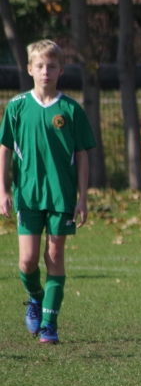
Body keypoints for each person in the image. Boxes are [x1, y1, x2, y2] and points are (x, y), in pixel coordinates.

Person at [0, 39, 96, 344]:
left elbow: (82, 154)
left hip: (61, 196)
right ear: (29, 69)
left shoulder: (70, 109)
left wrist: (83, 197)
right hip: (27, 195)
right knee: (27, 262)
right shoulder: (16, 107)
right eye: (39, 66)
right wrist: (2, 189)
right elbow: (4, 149)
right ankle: (35, 298)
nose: (45, 71)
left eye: (51, 66)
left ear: (61, 70)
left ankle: (50, 325)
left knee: (55, 256)